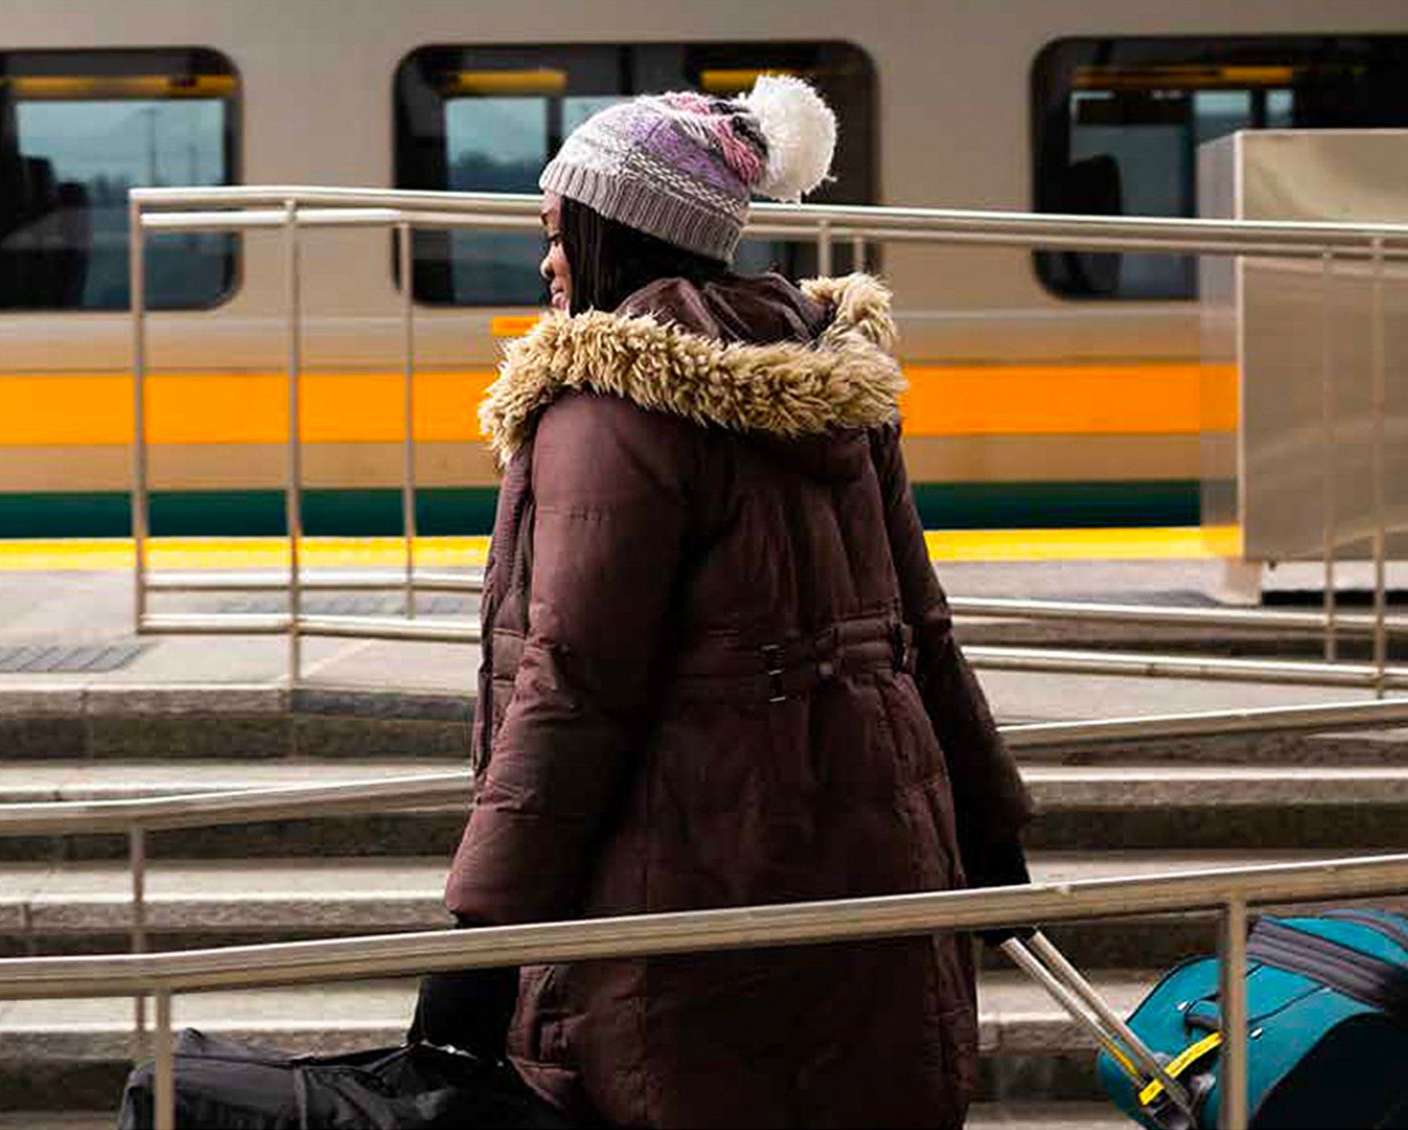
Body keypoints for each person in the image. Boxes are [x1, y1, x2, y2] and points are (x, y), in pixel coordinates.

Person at [410, 76, 1034, 1129]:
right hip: (877, 855)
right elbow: (922, 632)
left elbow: (575, 686)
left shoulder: (611, 407)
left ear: (620, 235)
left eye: (560, 229)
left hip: (692, 878)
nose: (546, 259)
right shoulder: (834, 379)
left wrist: (484, 933)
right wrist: (984, 824)